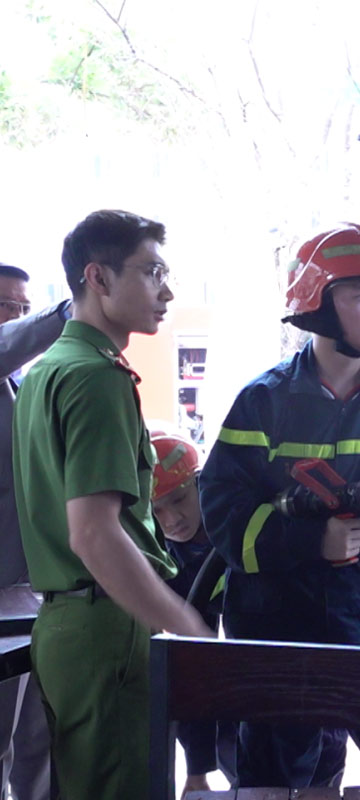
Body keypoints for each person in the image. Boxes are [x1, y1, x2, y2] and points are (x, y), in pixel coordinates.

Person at [199, 223, 360, 789]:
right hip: (278, 628)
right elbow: (222, 515)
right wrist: (314, 541)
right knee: (273, 783)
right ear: (316, 302)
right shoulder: (261, 402)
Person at [12, 210, 214, 800]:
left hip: (63, 623)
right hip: (108, 625)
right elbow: (96, 535)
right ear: (97, 278)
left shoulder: (47, 370)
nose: (167, 291)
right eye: (152, 272)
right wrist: (186, 624)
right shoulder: (96, 377)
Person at [0, 263, 71, 800]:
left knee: (38, 740)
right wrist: (76, 307)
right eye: (5, 306)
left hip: (37, 590)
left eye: (24, 308)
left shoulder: (23, 383)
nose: (15, 319)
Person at [150, 429, 235, 795]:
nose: (171, 520)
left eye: (179, 499)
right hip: (208, 689)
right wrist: (197, 770)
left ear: (202, 484)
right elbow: (187, 667)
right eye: (156, 511)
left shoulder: (241, 534)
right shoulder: (158, 564)